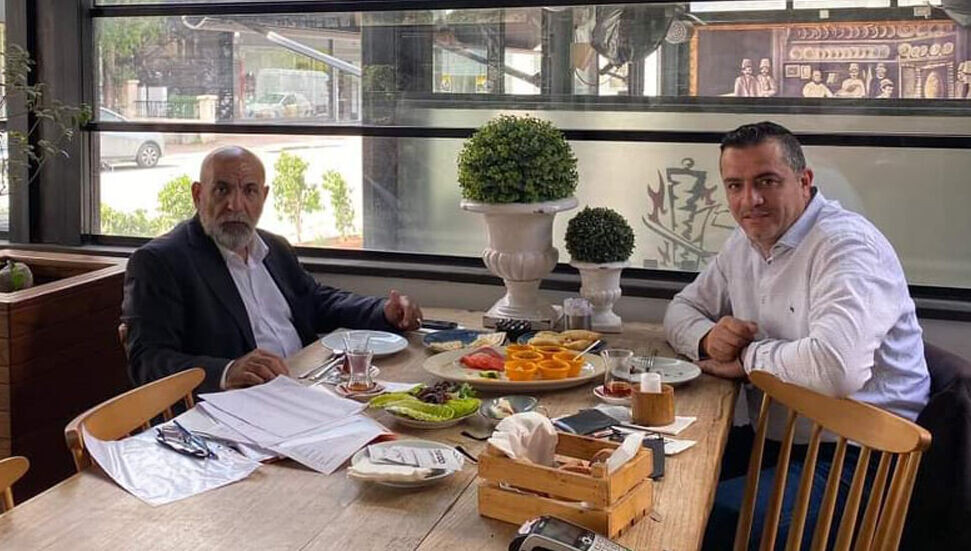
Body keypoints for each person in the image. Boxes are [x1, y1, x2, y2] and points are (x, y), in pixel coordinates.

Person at [663, 122, 929, 548]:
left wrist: (747, 358)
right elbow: (681, 309)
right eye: (735, 185)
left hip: (858, 455)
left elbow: (835, 369)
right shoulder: (745, 242)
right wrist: (708, 338)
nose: (750, 200)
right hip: (777, 438)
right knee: (654, 480)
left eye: (766, 181)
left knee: (704, 519)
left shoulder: (846, 246)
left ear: (804, 181)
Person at [122, 146, 423, 392]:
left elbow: (317, 302)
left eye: (249, 191)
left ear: (263, 197)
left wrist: (382, 311)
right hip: (236, 407)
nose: (235, 204)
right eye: (222, 190)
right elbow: (147, 361)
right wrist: (227, 371)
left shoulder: (274, 248)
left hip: (308, 383)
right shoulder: (160, 262)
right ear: (198, 194)